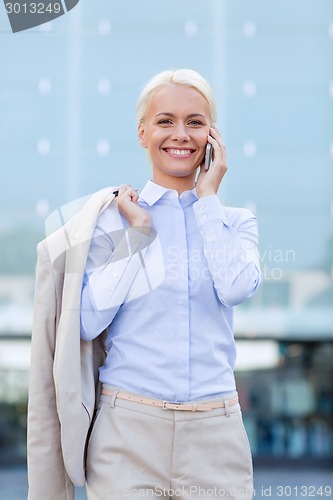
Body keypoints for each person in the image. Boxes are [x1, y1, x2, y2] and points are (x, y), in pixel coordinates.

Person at [27, 69, 261, 500]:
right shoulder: (113, 218)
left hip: (216, 434)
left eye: (195, 122)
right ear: (143, 133)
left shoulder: (233, 222)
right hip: (126, 432)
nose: (180, 135)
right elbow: (86, 322)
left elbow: (236, 288)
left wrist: (207, 199)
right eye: (165, 121)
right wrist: (137, 235)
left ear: (213, 135)